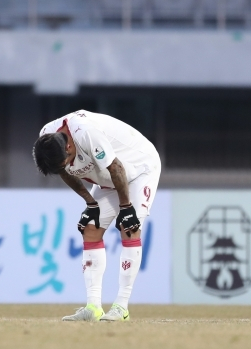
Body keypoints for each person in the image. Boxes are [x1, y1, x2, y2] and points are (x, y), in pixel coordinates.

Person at [32, 109, 161, 322]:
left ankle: (121, 307)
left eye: (66, 161)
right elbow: (64, 171)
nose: (66, 167)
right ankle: (94, 307)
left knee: (129, 226)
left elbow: (116, 167)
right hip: (108, 178)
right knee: (90, 228)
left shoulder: (86, 133)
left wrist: (126, 207)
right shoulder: (47, 137)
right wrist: (90, 203)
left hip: (138, 169)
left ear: (69, 146)